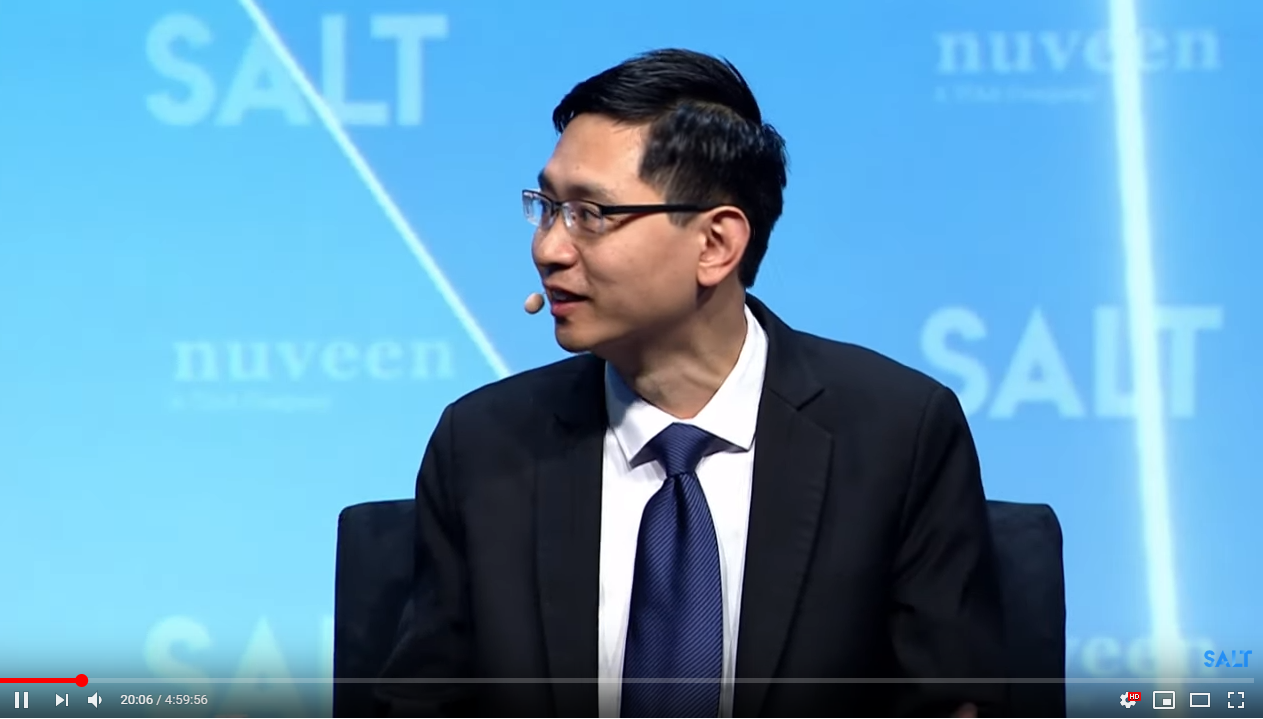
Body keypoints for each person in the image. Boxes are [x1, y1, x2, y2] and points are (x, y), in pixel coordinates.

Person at [376, 48, 1008, 718]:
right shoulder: (484, 445)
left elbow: (952, 702)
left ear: (715, 244)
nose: (548, 249)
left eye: (590, 213)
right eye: (548, 207)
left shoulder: (896, 435)